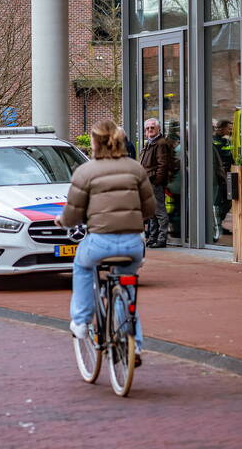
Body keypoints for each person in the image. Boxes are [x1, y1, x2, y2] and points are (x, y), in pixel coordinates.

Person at [55, 120, 156, 363]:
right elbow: (150, 208)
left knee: (81, 265)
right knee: (127, 289)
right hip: (133, 244)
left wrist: (64, 221)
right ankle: (135, 346)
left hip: (99, 242)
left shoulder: (86, 171)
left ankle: (80, 321)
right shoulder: (135, 168)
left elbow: (73, 213)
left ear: (94, 142)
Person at [138, 118, 172, 248]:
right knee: (152, 212)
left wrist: (157, 181)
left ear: (158, 129)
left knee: (160, 211)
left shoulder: (160, 143)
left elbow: (162, 165)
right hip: (147, 182)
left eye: (152, 127)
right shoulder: (150, 143)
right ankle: (152, 238)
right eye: (147, 128)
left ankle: (162, 239)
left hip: (153, 183)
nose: (149, 130)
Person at [212, 118, 235, 236]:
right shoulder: (213, 141)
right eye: (228, 128)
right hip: (217, 175)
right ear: (222, 128)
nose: (230, 130)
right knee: (218, 201)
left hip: (226, 174)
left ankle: (219, 223)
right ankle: (216, 226)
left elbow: (230, 156)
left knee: (228, 200)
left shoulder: (226, 141)